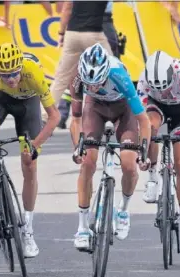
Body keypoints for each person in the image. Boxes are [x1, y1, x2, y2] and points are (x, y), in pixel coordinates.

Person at [0, 43, 60, 258]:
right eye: (5, 75)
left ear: (21, 68)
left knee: (30, 164)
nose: (11, 79)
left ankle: (28, 230)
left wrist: (36, 144)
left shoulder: (33, 72)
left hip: (28, 105)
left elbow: (54, 117)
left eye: (14, 73)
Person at [68, 43, 151, 250]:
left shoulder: (118, 75)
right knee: (87, 162)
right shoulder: (77, 78)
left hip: (123, 109)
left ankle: (123, 210)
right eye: (90, 84)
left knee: (129, 165)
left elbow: (144, 121)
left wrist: (144, 151)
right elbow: (76, 119)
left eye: (97, 82)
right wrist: (78, 146)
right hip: (94, 108)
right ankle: (82, 227)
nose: (93, 87)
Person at [136, 50, 180, 253]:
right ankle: (152, 177)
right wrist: (142, 152)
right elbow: (140, 120)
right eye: (159, 89)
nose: (164, 92)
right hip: (156, 108)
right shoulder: (143, 78)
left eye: (165, 87)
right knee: (150, 125)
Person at [57, 0, 122, 129]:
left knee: (73, 70)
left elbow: (67, 6)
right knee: (112, 68)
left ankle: (61, 113)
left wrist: (62, 32)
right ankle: (118, 112)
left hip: (77, 23)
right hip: (102, 21)